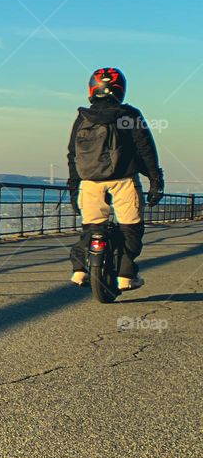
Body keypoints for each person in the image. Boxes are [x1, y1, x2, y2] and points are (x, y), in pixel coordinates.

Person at [67, 68, 164, 291]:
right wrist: (155, 180)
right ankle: (126, 275)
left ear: (92, 88)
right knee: (131, 227)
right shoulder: (129, 115)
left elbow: (72, 155)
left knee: (91, 227)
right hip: (124, 181)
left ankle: (80, 269)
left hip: (90, 182)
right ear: (121, 89)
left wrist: (74, 188)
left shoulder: (83, 117)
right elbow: (145, 149)